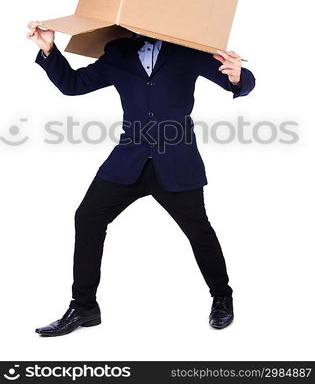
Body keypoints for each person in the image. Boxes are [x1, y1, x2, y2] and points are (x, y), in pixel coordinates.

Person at [27, 20, 255, 336]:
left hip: (176, 161)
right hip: (129, 161)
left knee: (199, 231)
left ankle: (222, 298)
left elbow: (238, 82)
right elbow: (74, 85)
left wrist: (238, 76)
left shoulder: (188, 49)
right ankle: (84, 307)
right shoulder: (118, 52)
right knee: (88, 218)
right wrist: (49, 50)